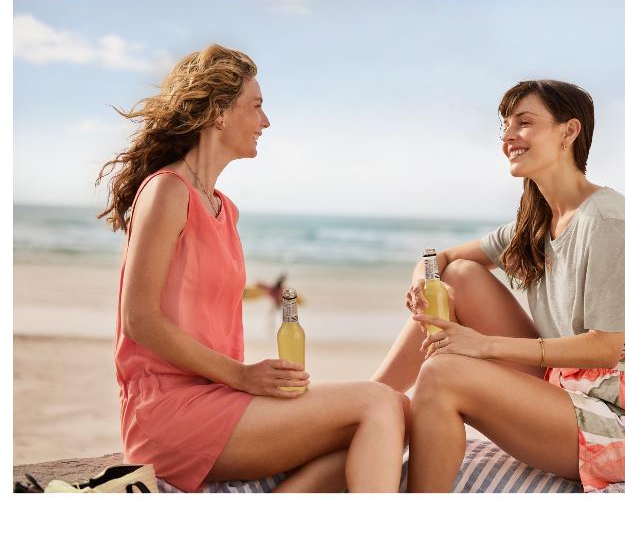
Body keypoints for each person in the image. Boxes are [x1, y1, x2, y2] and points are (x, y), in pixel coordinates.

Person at [96, 44, 407, 493]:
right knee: (380, 403)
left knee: (392, 415)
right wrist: (242, 375)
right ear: (218, 113)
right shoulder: (167, 191)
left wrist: (248, 382)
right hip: (168, 413)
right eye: (256, 106)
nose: (266, 121)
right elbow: (140, 319)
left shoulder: (226, 210)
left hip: (220, 399)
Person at [372, 79, 625, 493]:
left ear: (569, 132)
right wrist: (424, 282)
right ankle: (373, 399)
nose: (508, 137)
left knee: (441, 374)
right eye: (504, 127)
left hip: (615, 415)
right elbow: (442, 260)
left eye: (524, 123)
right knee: (459, 277)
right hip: (561, 384)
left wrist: (484, 345)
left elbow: (604, 348)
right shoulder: (537, 222)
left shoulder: (607, 221)